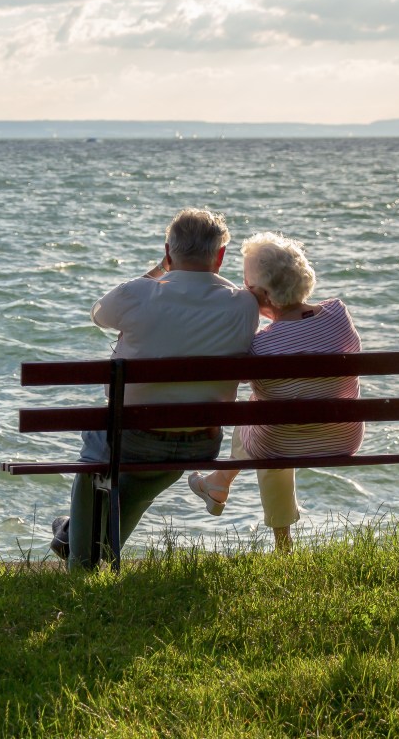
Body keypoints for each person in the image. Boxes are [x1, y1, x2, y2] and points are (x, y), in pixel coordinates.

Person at [50, 208, 260, 570]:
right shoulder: (244, 304)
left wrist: (160, 271)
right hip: (200, 440)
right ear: (221, 256)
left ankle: (79, 558)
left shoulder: (139, 293)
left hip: (130, 438)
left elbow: (99, 314)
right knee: (153, 464)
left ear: (167, 252)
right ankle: (76, 539)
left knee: (94, 461)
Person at [187, 231, 363, 551]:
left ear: (264, 294)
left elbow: (231, 385)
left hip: (280, 442)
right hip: (343, 437)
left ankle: (233, 497)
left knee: (262, 416)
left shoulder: (261, 346)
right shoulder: (338, 315)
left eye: (246, 286)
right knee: (271, 412)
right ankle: (218, 483)